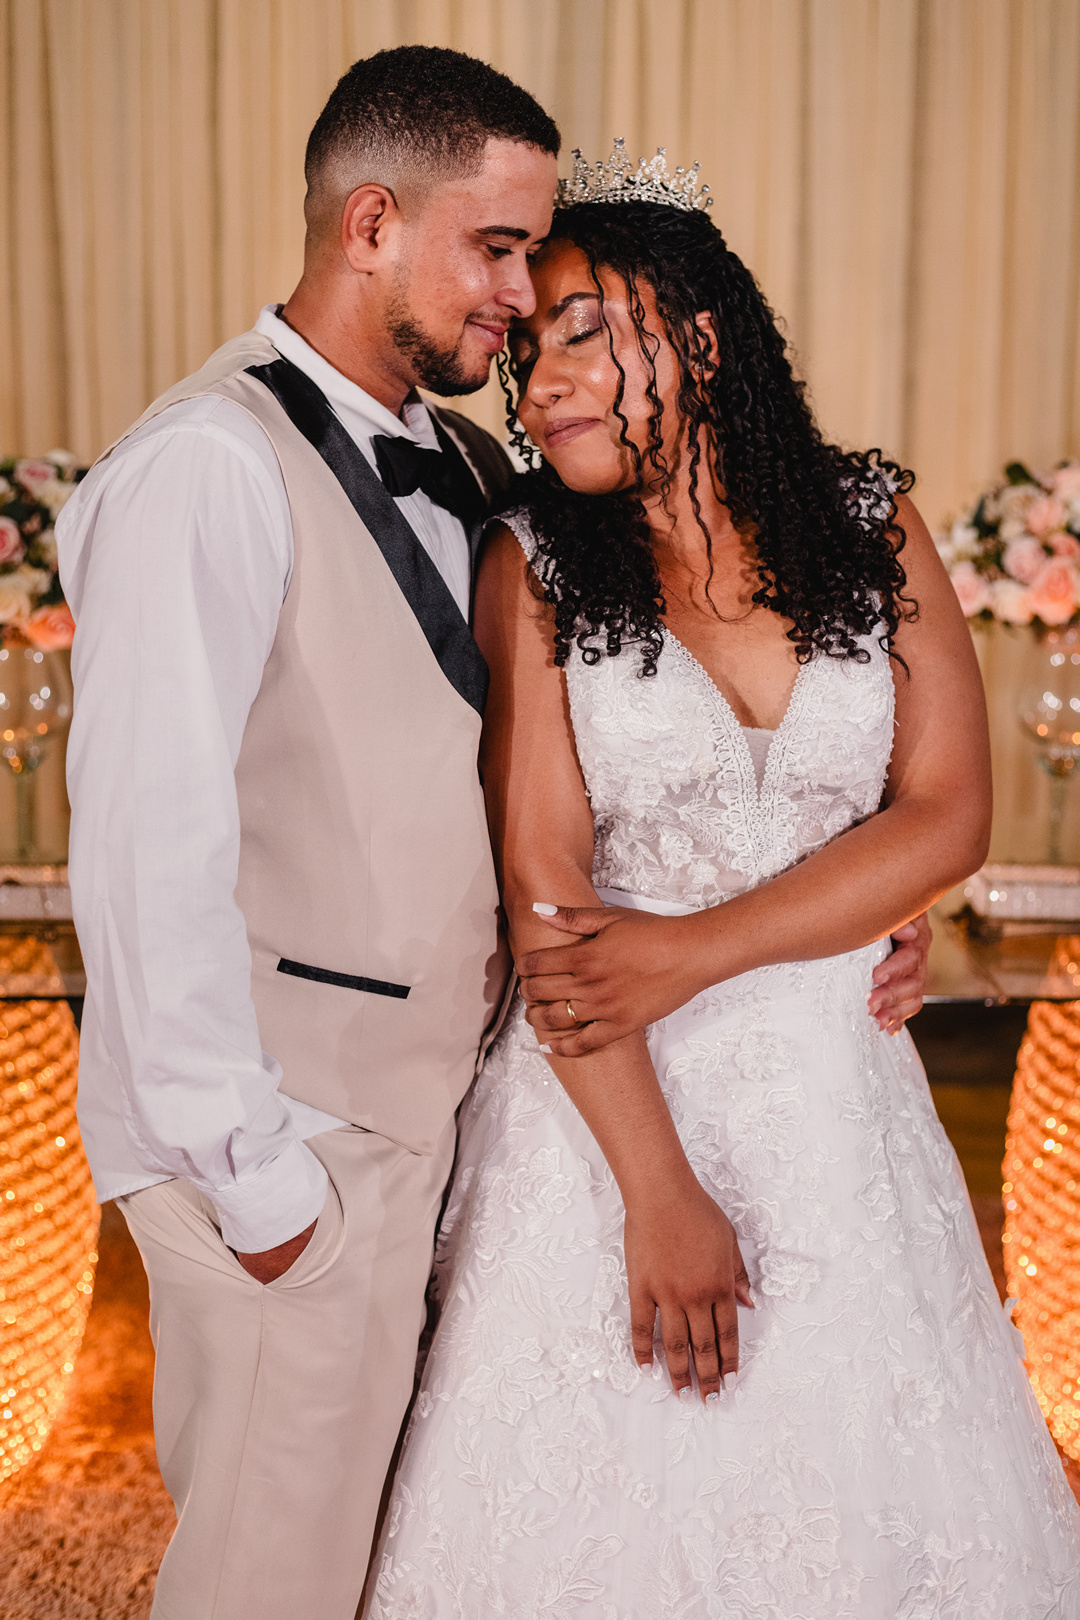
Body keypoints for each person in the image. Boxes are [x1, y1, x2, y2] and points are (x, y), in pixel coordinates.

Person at [366, 147, 1080, 1616]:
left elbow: (945, 814)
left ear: (696, 339)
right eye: (525, 346)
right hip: (611, 1122)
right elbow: (552, 902)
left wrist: (696, 947)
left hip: (843, 1120)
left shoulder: (868, 520)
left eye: (582, 331)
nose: (541, 379)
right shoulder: (539, 568)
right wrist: (658, 1192)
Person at [56, 46, 561, 1620]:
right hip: (289, 1146)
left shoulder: (468, 461)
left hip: (414, 1124)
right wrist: (261, 1187)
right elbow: (148, 852)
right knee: (265, 1590)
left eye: (533, 252)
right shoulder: (206, 466)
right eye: (497, 246)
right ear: (367, 224)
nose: (524, 294)